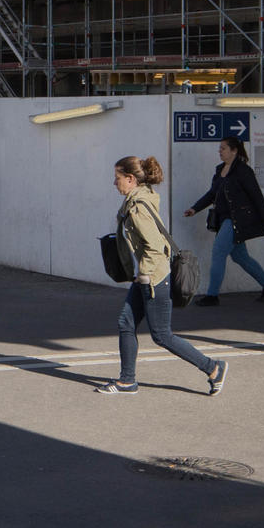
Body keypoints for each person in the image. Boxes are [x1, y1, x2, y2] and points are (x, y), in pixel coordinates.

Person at [94, 155, 227, 397]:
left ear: (131, 179)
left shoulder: (137, 209)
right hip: (146, 275)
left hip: (153, 278)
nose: (115, 183)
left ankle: (213, 368)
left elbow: (156, 248)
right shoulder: (140, 199)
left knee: (162, 335)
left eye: (118, 178)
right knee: (126, 323)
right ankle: (127, 381)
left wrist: (145, 276)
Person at [183, 134, 264, 306]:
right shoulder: (220, 170)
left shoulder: (243, 171)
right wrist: (195, 208)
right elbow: (212, 194)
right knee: (241, 257)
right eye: (220, 148)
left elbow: (256, 196)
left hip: (236, 220)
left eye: (223, 148)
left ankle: (212, 296)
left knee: (218, 251)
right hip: (223, 219)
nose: (219, 151)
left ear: (234, 151)